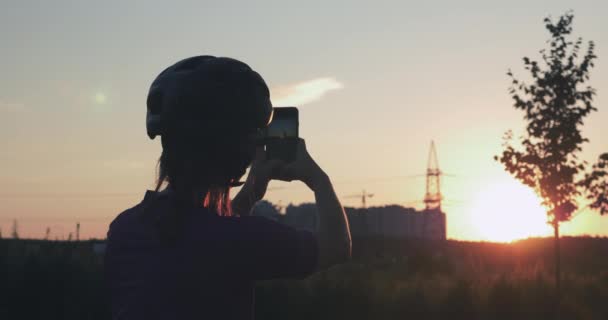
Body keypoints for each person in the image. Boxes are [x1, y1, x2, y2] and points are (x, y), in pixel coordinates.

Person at [104, 55, 352, 320]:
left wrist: (252, 193)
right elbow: (337, 246)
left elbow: (198, 234)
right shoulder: (241, 240)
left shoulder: (124, 231)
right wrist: (317, 178)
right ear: (237, 153)